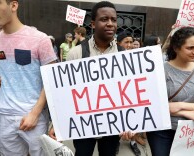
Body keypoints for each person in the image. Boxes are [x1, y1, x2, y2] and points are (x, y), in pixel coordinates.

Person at [0, 0, 58, 155]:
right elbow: (0, 70)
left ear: (13, 5)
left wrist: (35, 113)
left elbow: (52, 78)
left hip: (33, 116)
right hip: (4, 116)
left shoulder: (40, 38)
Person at [49, 1, 133, 156]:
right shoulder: (76, 53)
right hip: (83, 124)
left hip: (113, 124)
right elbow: (65, 92)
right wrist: (57, 124)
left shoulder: (125, 56)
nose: (110, 24)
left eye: (113, 20)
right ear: (93, 24)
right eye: (104, 19)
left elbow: (130, 93)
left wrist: (132, 123)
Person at [146, 27, 194, 156]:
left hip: (192, 130)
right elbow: (151, 104)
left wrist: (179, 106)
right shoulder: (159, 70)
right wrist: (187, 113)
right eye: (190, 48)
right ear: (176, 48)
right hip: (162, 130)